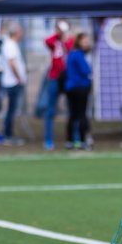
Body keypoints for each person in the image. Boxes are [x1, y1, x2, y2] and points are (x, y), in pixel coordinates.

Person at [39, 19, 73, 150]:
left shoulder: (69, 41)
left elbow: (70, 47)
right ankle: (48, 139)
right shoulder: (54, 41)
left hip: (68, 78)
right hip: (54, 77)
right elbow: (47, 41)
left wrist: (65, 36)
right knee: (50, 109)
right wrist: (58, 33)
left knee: (72, 108)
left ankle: (73, 138)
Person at [62, 31, 93, 151]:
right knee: (81, 114)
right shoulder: (78, 55)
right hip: (80, 88)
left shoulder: (71, 54)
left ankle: (69, 141)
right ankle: (82, 141)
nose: (87, 43)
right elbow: (86, 70)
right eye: (85, 41)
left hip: (70, 88)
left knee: (72, 115)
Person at [0, 23, 26, 140]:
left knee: (11, 109)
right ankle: (8, 133)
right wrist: (18, 77)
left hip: (13, 81)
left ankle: (8, 132)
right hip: (12, 82)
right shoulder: (10, 45)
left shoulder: (12, 44)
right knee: (11, 109)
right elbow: (12, 63)